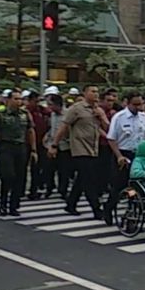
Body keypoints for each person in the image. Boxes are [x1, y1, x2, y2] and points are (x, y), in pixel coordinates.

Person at [49, 84, 105, 220]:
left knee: (82, 179)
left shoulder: (97, 110)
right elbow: (63, 127)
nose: (96, 94)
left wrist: (102, 117)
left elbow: (106, 128)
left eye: (97, 91)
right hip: (80, 149)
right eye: (93, 91)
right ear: (85, 93)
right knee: (89, 180)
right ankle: (97, 209)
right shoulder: (76, 109)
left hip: (94, 149)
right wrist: (54, 145)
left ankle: (71, 203)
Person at [0, 90, 37, 217]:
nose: (19, 102)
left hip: (21, 147)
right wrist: (0, 145)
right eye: (16, 99)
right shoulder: (1, 115)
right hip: (6, 146)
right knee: (8, 176)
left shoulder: (25, 114)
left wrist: (33, 149)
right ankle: (3, 203)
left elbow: (30, 131)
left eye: (20, 99)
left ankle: (14, 205)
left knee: (20, 176)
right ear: (9, 100)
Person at [105, 90, 145, 224]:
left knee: (136, 185)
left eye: (140, 104)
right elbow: (111, 138)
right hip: (122, 153)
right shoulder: (119, 117)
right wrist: (119, 156)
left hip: (138, 155)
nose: (138, 108)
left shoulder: (142, 117)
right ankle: (109, 208)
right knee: (119, 185)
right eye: (135, 105)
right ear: (127, 103)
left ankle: (131, 214)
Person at [44, 95, 72, 199]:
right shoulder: (52, 115)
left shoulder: (68, 114)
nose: (49, 107)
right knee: (49, 169)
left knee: (64, 170)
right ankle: (49, 187)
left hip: (65, 145)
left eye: (50, 104)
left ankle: (63, 190)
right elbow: (51, 128)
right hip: (51, 144)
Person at [25, 91, 50, 200]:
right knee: (26, 168)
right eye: (36, 101)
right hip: (27, 143)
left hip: (42, 142)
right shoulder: (26, 112)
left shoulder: (42, 111)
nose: (38, 103)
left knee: (40, 167)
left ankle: (35, 189)